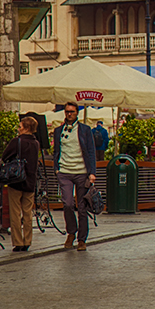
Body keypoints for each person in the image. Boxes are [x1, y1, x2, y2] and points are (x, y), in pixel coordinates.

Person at [53, 101, 97, 251]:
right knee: (68, 204)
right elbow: (56, 151)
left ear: (77, 113)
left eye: (72, 111)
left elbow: (91, 151)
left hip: (81, 172)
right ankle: (71, 232)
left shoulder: (85, 130)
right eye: (67, 111)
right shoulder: (59, 130)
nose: (69, 114)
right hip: (65, 172)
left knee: (82, 207)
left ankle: (82, 239)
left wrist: (92, 173)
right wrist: (57, 168)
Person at [2, 116, 41, 252]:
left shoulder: (17, 141)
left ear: (26, 128)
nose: (18, 129)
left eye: (20, 126)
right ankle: (27, 241)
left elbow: (5, 156)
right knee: (27, 213)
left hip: (16, 180)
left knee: (15, 212)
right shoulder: (36, 143)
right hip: (30, 181)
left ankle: (18, 242)